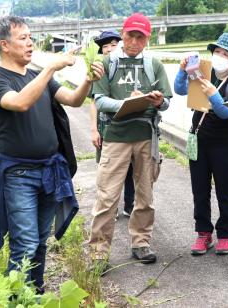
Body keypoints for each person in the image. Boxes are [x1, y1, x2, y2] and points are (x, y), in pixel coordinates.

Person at [0, 15, 103, 293]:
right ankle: (18, 298)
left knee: (39, 241)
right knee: (23, 244)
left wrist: (88, 80)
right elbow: (21, 103)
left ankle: (34, 295)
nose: (30, 43)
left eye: (30, 37)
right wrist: (50, 68)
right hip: (19, 175)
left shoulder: (36, 76)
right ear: (4, 45)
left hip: (50, 171)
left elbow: (73, 100)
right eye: (23, 38)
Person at [88, 13, 172, 267]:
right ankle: (98, 253)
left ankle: (141, 243)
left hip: (146, 135)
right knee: (107, 195)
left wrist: (157, 101)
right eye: (130, 35)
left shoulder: (154, 64)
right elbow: (99, 100)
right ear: (122, 34)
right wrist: (126, 103)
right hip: (116, 135)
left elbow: (167, 101)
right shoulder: (106, 63)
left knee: (145, 194)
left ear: (147, 39)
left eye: (140, 37)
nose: (134, 41)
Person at [174, 33, 228, 255]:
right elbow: (180, 90)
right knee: (200, 189)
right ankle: (203, 233)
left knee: (225, 190)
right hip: (200, 140)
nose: (219, 57)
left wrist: (214, 95)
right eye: (217, 52)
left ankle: (225, 234)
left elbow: (227, 113)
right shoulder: (203, 71)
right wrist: (181, 70)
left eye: (225, 54)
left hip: (225, 144)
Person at [88, 30, 135, 218]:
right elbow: (93, 102)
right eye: (104, 46)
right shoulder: (99, 70)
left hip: (130, 127)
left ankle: (130, 205)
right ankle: (110, 207)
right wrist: (93, 130)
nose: (108, 49)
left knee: (131, 169)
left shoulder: (131, 67)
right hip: (106, 128)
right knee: (108, 171)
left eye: (112, 45)